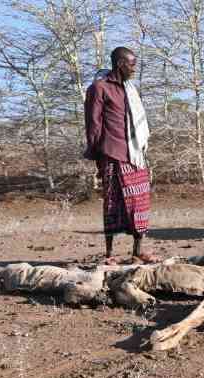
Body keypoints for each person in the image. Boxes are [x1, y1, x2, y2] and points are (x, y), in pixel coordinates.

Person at [84, 46, 156, 263]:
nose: (134, 69)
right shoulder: (99, 88)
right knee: (112, 203)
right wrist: (97, 156)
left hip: (135, 154)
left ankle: (137, 251)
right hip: (112, 153)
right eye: (131, 64)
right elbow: (93, 124)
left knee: (140, 202)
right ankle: (109, 254)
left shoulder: (129, 89)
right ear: (120, 64)